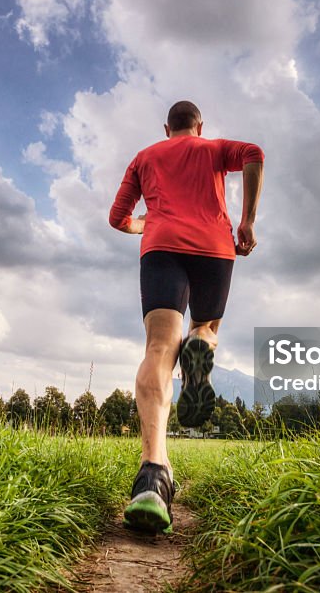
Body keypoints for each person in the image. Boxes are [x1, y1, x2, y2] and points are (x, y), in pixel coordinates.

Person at [108, 100, 264, 533]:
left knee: (159, 347)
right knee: (205, 328)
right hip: (214, 247)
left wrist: (149, 223)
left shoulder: (145, 157)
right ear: (199, 125)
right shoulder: (213, 149)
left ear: (166, 128)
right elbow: (254, 153)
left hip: (161, 248)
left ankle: (152, 475)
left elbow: (117, 218)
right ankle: (200, 344)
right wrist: (247, 221)